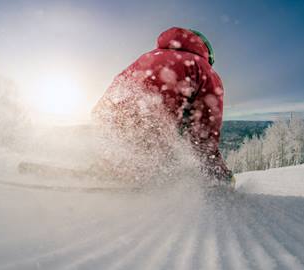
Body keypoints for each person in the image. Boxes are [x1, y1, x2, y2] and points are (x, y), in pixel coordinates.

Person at [92, 27, 234, 186]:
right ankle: (141, 182)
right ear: (208, 55)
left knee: (129, 150)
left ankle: (106, 172)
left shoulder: (147, 57)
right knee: (171, 157)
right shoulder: (203, 68)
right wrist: (219, 173)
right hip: (150, 123)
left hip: (107, 114)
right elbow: (204, 133)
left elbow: (119, 85)